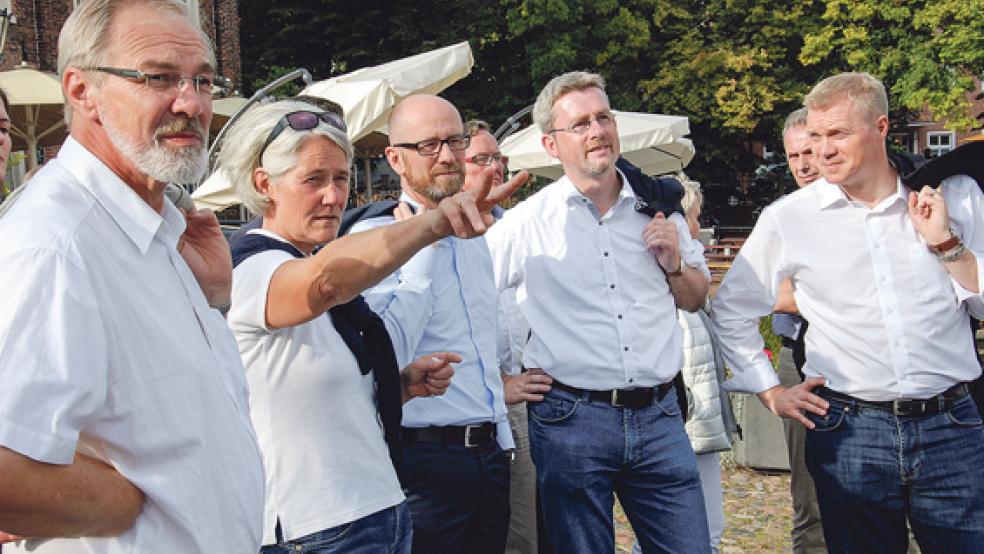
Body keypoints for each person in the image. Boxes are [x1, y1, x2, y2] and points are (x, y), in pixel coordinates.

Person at [0, 0, 265, 551]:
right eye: (158, 77)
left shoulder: (153, 227)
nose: (191, 102)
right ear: (81, 91)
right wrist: (127, 505)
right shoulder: (56, 245)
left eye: (203, 80)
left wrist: (214, 296)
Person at [218, 100, 517, 553]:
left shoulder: (306, 255)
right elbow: (326, 283)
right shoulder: (254, 265)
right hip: (316, 530)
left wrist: (397, 384)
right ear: (265, 185)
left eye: (341, 178)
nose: (334, 196)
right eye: (313, 180)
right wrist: (432, 228)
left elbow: (312, 386)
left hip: (374, 512)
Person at [711, 72, 984, 553]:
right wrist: (769, 390)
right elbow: (731, 308)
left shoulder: (953, 197)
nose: (823, 151)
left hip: (951, 425)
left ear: (880, 128)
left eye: (838, 133)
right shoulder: (790, 217)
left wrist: (945, 243)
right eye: (815, 137)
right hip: (851, 430)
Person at [485, 71, 712, 554]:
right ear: (551, 143)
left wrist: (674, 266)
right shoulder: (527, 223)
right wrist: (497, 382)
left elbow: (695, 298)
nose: (597, 131)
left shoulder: (660, 209)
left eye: (603, 117)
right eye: (580, 124)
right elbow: (469, 300)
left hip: (659, 418)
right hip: (571, 420)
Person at [349, 95, 526, 554]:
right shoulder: (372, 240)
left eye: (454, 141)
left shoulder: (474, 235)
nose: (447, 156)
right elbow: (382, 352)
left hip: (486, 456)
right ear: (395, 158)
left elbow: (482, 350)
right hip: (420, 460)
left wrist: (501, 439)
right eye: (428, 145)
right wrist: (424, 246)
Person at [632, 177, 739, 554]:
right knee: (691, 529)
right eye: (694, 216)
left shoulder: (688, 276)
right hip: (687, 421)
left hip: (696, 421)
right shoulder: (673, 291)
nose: (696, 226)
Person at [461, 119, 552, 554]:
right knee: (513, 531)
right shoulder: (447, 236)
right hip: (490, 408)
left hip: (543, 403)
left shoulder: (521, 226)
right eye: (481, 159)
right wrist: (503, 385)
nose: (494, 168)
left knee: (545, 522)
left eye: (498, 158)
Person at [771, 108, 826, 554]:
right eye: (793, 156)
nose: (804, 164)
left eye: (810, 151)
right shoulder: (781, 216)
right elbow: (772, 294)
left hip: (865, 363)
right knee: (808, 495)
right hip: (799, 357)